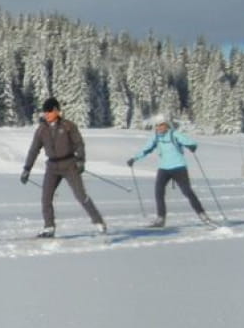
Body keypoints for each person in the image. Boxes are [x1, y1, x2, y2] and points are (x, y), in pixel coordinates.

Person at [21, 97, 107, 238]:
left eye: (49, 111)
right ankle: (49, 227)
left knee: (80, 195)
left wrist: (80, 160)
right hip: (52, 167)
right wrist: (27, 169)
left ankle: (99, 222)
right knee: (46, 197)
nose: (46, 115)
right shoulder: (42, 130)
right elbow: (34, 150)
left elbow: (79, 144)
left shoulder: (68, 126)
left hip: (69, 165)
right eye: (45, 112)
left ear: (56, 111)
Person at [126, 114, 213, 227]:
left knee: (187, 192)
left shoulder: (174, 134)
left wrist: (192, 146)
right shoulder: (156, 137)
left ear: (167, 125)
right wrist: (134, 158)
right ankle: (160, 218)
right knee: (159, 192)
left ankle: (203, 215)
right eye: (157, 126)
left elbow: (191, 142)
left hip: (179, 167)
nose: (159, 128)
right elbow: (146, 149)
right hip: (164, 168)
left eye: (161, 125)